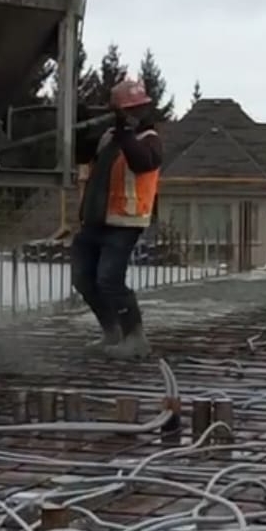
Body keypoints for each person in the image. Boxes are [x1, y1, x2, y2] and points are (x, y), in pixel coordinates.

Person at [71, 77, 162, 357]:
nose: (132, 115)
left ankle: (135, 337)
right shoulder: (108, 137)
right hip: (96, 219)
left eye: (136, 110)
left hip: (125, 222)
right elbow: (80, 153)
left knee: (109, 279)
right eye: (126, 110)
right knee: (83, 278)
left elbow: (141, 162)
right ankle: (112, 331)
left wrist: (125, 132)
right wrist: (79, 118)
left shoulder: (150, 141)